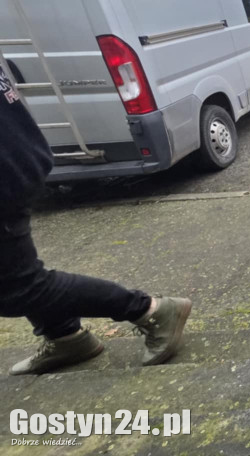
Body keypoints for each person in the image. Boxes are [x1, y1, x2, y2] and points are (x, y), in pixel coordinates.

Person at [0, 66, 191, 376]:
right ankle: (64, 336)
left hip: (6, 165)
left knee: (15, 289)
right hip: (14, 152)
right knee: (16, 271)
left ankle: (151, 311)